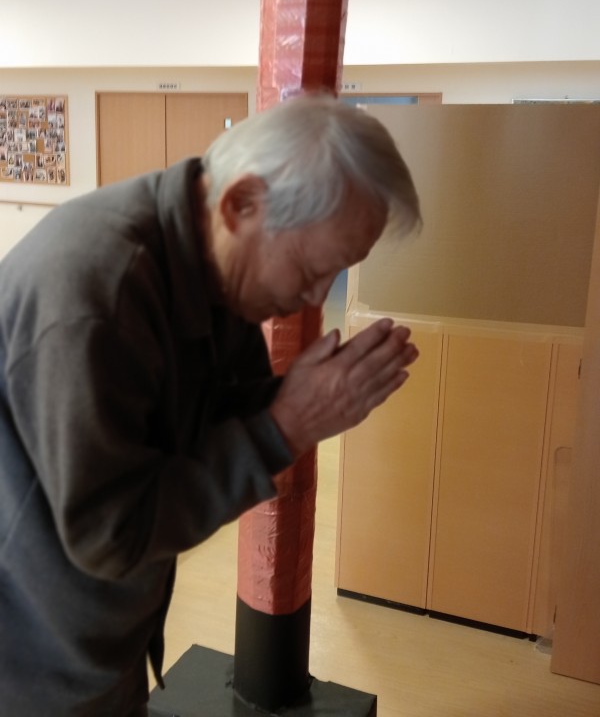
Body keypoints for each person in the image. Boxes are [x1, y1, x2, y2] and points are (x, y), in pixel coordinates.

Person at [0, 92, 421, 715]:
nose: (314, 297)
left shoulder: (211, 265)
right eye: (311, 268)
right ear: (240, 203)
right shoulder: (100, 291)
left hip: (99, 636)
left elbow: (222, 416)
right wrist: (289, 422)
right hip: (31, 660)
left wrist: (311, 398)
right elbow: (108, 536)